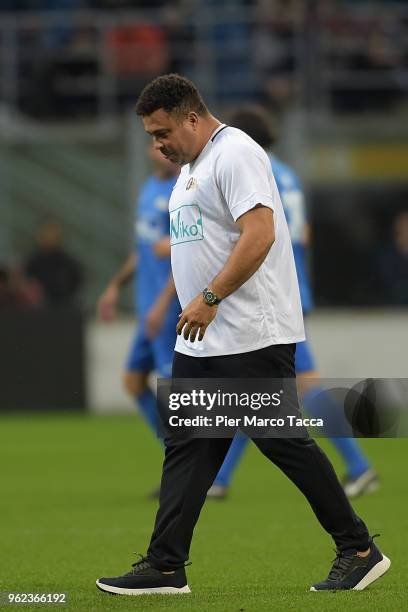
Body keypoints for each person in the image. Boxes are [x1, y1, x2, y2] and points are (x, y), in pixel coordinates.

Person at [96, 74, 390, 595]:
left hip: (249, 333)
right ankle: (166, 565)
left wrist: (210, 299)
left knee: (284, 442)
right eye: (149, 135)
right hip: (202, 338)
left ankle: (359, 548)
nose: (156, 144)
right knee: (188, 446)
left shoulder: (235, 153)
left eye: (162, 131)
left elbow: (260, 233)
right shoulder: (189, 170)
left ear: (191, 116)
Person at [208, 105, 379, 500]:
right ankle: (218, 480)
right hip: (291, 290)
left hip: (271, 296)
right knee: (255, 391)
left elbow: (254, 235)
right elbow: (302, 234)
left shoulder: (253, 174)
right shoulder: (287, 175)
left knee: (300, 387)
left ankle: (359, 464)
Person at [97, 142, 179, 447]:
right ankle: (177, 456)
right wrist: (115, 285)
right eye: (156, 143)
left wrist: (162, 303)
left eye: (166, 141)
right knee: (133, 382)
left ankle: (194, 468)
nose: (162, 148)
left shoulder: (182, 190)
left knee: (175, 392)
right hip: (149, 306)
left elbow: (188, 254)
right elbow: (143, 249)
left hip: (168, 306)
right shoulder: (148, 189)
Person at [25, 218, 82, 308]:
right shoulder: (33, 261)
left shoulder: (67, 262)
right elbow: (28, 282)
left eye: (52, 233)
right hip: (38, 308)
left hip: (63, 306)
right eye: (46, 233)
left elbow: (76, 281)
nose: (50, 237)